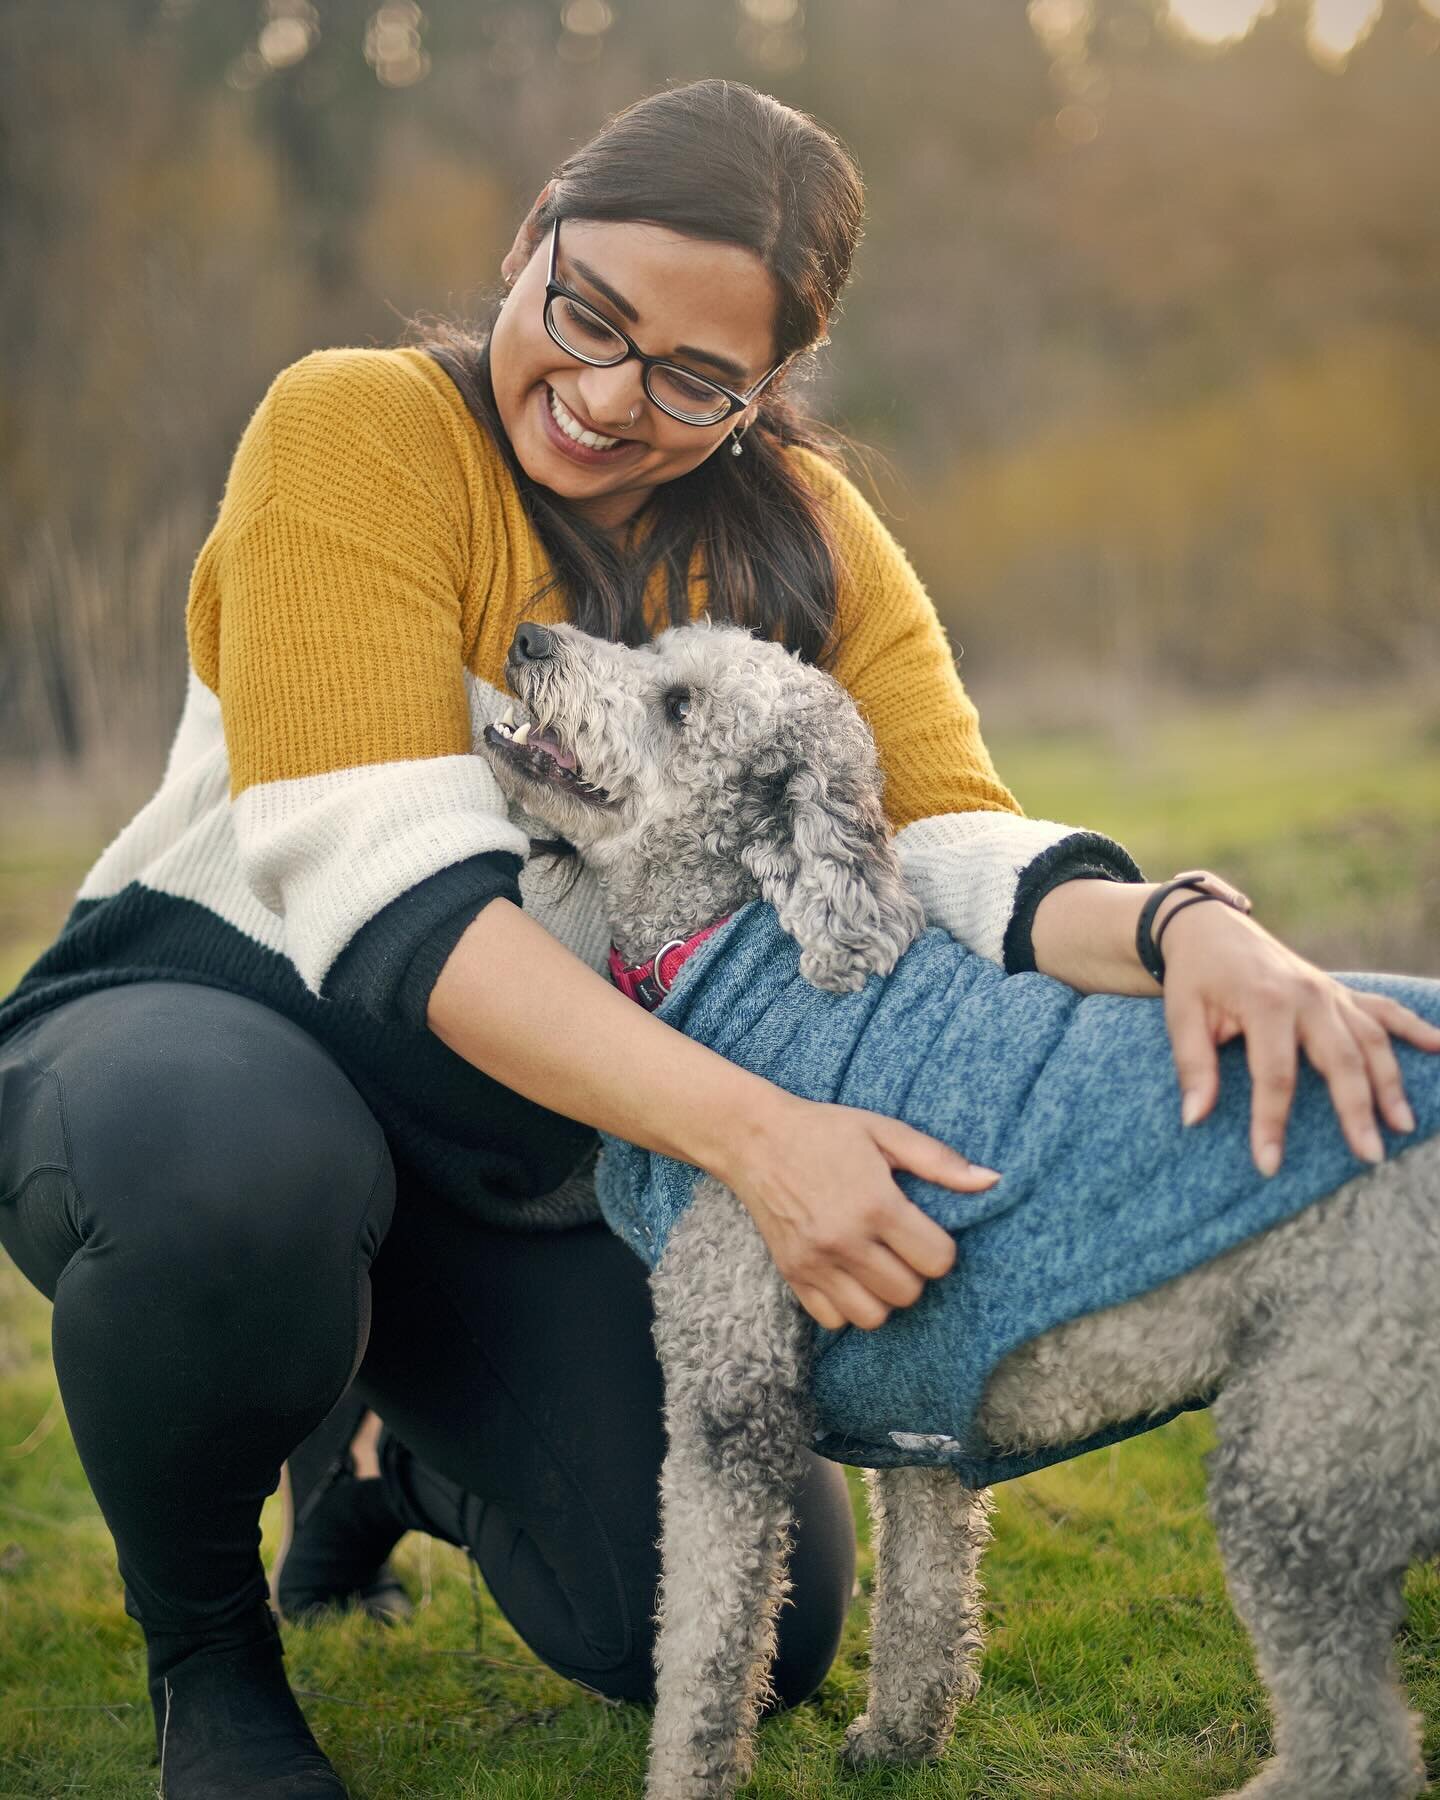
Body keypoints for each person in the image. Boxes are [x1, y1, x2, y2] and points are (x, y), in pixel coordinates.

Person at [0, 80, 1434, 1800]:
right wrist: (767, 1140)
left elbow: (943, 835)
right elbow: (393, 900)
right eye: (586, 313)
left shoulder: (811, 539)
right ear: (532, 238)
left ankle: (379, 1448)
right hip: (214, 1027)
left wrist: (1193, 929)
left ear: (766, 391)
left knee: (743, 1625)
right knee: (239, 1180)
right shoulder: (356, 427)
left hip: (529, 1141)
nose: (608, 398)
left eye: (691, 378)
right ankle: (211, 1664)